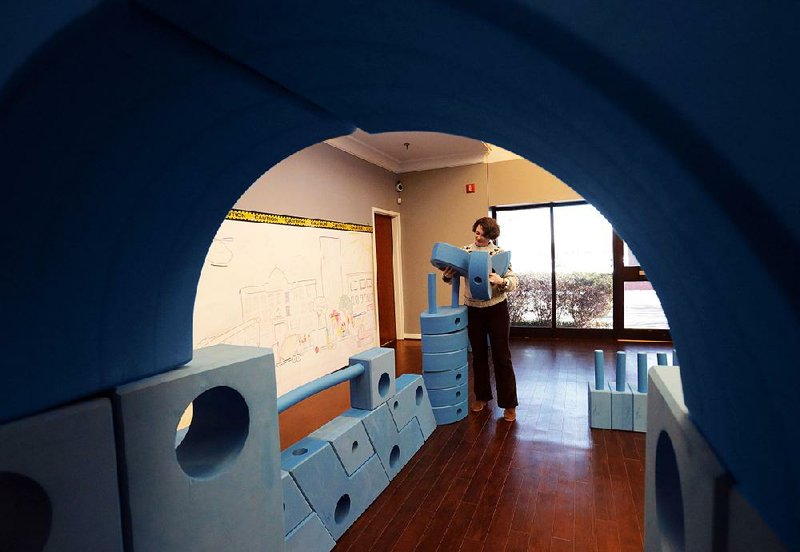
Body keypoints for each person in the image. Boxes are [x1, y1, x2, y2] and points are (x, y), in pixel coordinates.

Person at [441, 217, 519, 422]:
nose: (478, 237)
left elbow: (514, 281)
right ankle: (482, 397)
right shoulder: (465, 251)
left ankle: (509, 404)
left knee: (502, 356)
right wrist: (448, 276)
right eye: (476, 232)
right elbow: (451, 277)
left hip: (497, 309)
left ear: (491, 236)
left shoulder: (500, 255)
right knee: (478, 355)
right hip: (473, 309)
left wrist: (502, 281)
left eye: (482, 235)